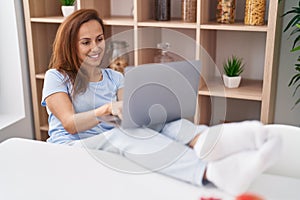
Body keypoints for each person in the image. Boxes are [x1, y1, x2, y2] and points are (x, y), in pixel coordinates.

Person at [42, 9, 282, 196]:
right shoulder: (57, 76)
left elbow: (130, 118)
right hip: (74, 146)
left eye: (99, 39)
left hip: (109, 138)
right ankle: (210, 172)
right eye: (86, 42)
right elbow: (70, 124)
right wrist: (104, 109)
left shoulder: (114, 77)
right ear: (70, 45)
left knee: (165, 124)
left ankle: (205, 141)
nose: (96, 47)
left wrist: (148, 114)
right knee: (119, 137)